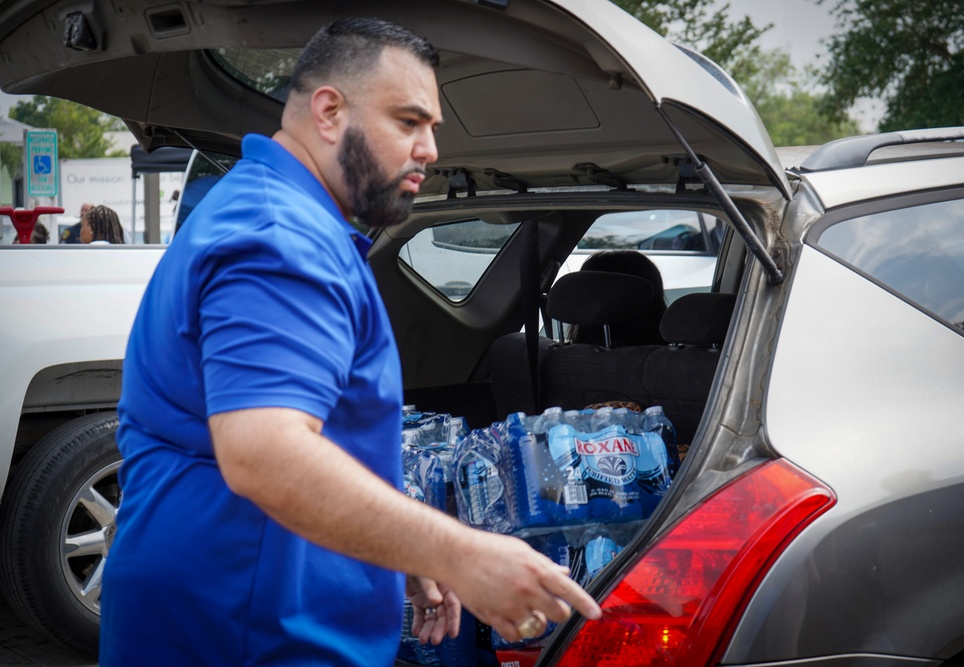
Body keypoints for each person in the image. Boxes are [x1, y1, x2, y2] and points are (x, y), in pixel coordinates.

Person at [102, 17, 600, 667]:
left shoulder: (275, 214)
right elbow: (265, 455)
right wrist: (461, 552)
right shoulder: (280, 238)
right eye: (408, 121)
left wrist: (405, 552)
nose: (429, 149)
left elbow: (323, 441)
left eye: (432, 129)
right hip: (245, 632)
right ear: (329, 111)